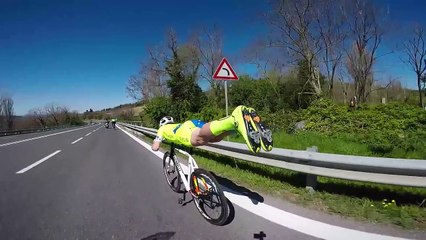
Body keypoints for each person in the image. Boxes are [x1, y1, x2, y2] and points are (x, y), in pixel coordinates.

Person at [151, 105, 273, 153]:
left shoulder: (162, 129)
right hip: (189, 124)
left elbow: (156, 146)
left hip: (184, 133)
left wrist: (155, 146)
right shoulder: (174, 125)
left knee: (199, 139)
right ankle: (237, 127)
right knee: (212, 138)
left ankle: (233, 119)